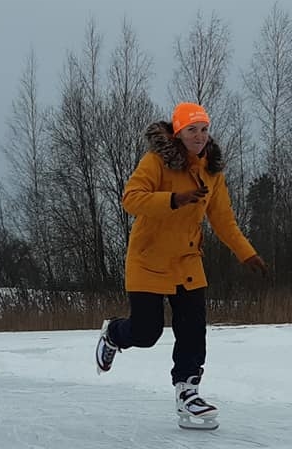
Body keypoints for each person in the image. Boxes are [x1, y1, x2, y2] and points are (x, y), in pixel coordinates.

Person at [95, 102, 268, 430]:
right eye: (192, 130)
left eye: (204, 129)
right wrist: (173, 199)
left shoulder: (212, 171)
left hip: (187, 261)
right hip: (148, 259)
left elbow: (223, 220)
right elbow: (131, 198)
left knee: (193, 330)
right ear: (178, 132)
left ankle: (188, 392)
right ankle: (114, 333)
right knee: (147, 333)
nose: (200, 136)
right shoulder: (156, 162)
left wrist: (247, 253)